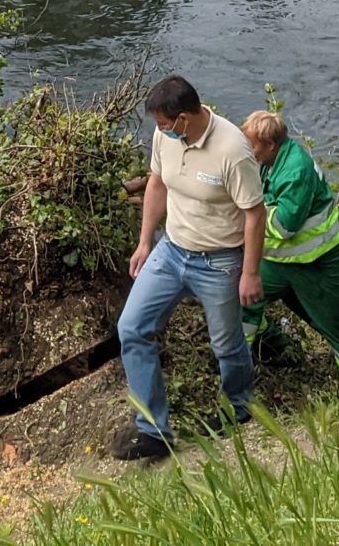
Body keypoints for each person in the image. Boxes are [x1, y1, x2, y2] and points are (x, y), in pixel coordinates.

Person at [112, 75, 266, 463]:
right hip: (172, 250)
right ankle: (153, 430)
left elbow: (254, 215)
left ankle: (238, 407)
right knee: (131, 328)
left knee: (226, 345)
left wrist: (250, 273)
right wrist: (145, 241)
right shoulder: (166, 138)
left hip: (219, 261)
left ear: (184, 118)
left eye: (165, 125)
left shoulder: (233, 150)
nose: (161, 132)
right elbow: (157, 185)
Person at [238, 110, 339, 395]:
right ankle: (274, 349)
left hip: (319, 266)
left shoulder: (295, 171)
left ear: (270, 145)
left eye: (251, 144)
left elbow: (283, 226)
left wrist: (244, 211)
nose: (246, 150)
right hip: (280, 263)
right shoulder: (267, 160)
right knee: (242, 301)